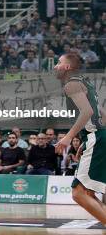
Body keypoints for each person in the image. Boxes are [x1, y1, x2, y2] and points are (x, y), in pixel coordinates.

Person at [54, 53, 106, 224]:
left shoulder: (71, 84)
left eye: (59, 62)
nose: (55, 66)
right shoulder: (85, 83)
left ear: (67, 67)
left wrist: (68, 138)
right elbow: (101, 114)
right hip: (99, 136)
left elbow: (87, 112)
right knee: (88, 193)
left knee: (79, 194)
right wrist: (89, 139)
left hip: (97, 138)